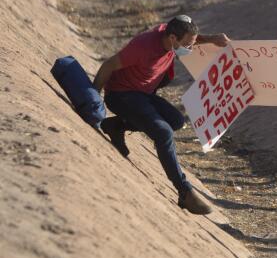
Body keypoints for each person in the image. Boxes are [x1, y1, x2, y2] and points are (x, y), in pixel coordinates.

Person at [92, 15, 230, 215]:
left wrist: (211, 39)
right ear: (173, 38)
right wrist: (93, 98)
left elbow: (191, 37)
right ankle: (184, 191)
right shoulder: (143, 46)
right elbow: (108, 65)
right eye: (187, 45)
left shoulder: (171, 35)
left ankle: (116, 126)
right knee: (163, 133)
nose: (190, 49)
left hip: (143, 94)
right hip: (122, 95)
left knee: (176, 121)